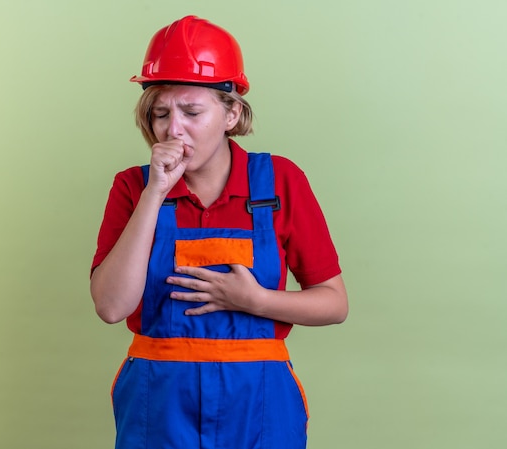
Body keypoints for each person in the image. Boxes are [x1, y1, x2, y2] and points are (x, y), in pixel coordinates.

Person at [90, 15, 348, 449]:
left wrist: (255, 300)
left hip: (260, 402)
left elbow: (334, 303)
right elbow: (112, 307)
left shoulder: (280, 182)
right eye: (160, 113)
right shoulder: (133, 186)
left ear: (231, 113)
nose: (173, 129)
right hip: (159, 401)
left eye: (192, 111)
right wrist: (156, 193)